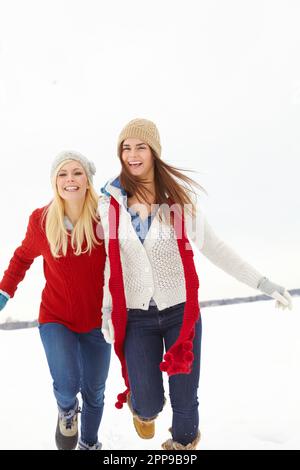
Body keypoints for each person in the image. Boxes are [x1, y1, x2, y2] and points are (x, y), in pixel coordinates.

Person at [98, 118, 293, 450]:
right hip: (137, 317)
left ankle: (182, 450)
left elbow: (215, 248)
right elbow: (110, 264)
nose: (132, 154)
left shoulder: (179, 201)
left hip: (180, 314)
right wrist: (106, 312)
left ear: (154, 152)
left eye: (140, 147)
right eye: (126, 148)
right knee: (147, 404)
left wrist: (263, 282)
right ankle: (141, 408)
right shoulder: (109, 204)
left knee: (185, 407)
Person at [0, 151, 110, 450]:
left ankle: (89, 442)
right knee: (67, 384)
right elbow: (23, 257)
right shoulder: (42, 220)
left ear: (88, 180)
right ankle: (66, 410)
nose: (70, 179)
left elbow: (129, 260)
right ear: (54, 181)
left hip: (100, 321)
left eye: (77, 173)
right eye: (63, 174)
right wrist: (4, 291)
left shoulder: (105, 219)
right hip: (56, 317)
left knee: (95, 391)